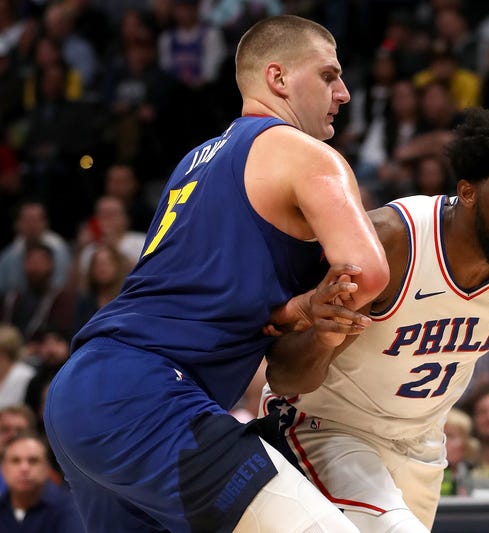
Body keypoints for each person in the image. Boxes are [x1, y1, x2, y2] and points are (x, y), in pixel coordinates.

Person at [43, 15, 391, 533]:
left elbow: (209, 292)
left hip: (81, 390)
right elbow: (366, 275)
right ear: (278, 79)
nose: (342, 92)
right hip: (150, 393)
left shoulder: (194, 161)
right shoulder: (304, 152)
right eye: (327, 76)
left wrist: (296, 309)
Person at [260, 105, 489, 531]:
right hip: (331, 427)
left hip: (422, 440)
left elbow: (484, 310)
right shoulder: (392, 242)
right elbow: (284, 376)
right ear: (468, 192)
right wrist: (323, 339)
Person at [0, 432, 83, 533]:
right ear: (3, 468)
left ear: (48, 468)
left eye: (33, 461)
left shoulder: (72, 508)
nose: (24, 468)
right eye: (15, 461)